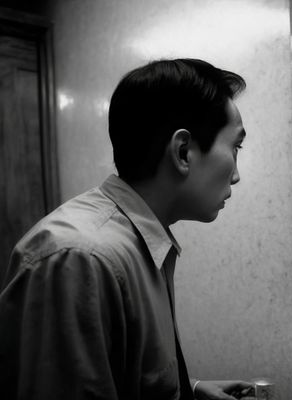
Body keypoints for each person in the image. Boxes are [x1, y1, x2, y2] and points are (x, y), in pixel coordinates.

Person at [0, 58, 254, 400]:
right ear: (183, 152)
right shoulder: (80, 259)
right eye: (235, 147)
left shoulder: (138, 240)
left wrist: (190, 390)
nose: (236, 175)